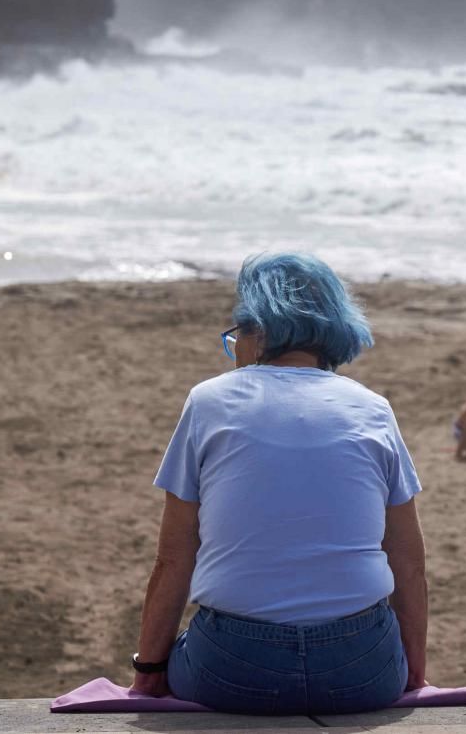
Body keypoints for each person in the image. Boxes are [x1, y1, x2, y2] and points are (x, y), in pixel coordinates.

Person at [130, 252, 428, 715]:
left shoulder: (208, 402)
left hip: (235, 663)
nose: (235, 350)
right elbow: (407, 561)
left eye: (237, 335)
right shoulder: (373, 409)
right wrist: (412, 673)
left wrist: (147, 671)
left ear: (260, 331)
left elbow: (174, 559)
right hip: (362, 665)